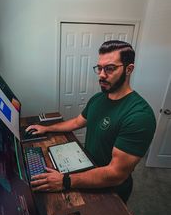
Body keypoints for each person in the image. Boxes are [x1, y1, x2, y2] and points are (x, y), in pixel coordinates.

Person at [26, 40, 156, 203]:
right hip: (86, 169)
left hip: (110, 190)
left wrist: (65, 180)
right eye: (99, 68)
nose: (101, 74)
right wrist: (47, 128)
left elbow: (116, 174)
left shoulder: (139, 115)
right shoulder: (98, 98)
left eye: (109, 68)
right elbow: (77, 122)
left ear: (129, 69)